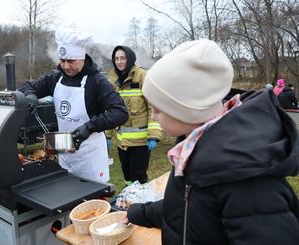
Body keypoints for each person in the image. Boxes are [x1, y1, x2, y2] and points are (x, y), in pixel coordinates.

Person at [123, 39, 299, 244]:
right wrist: (140, 213)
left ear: (186, 110)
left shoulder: (245, 177)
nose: (153, 117)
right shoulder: (195, 147)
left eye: (158, 109)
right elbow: (187, 205)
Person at [19, 29, 129, 183]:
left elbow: (120, 112)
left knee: (93, 200)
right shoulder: (56, 78)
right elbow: (28, 85)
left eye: (71, 61)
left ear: (82, 58)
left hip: (89, 156)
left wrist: (90, 126)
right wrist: (30, 94)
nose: (65, 66)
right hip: (65, 153)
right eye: (62, 60)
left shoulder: (97, 82)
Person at [106, 46, 162, 185]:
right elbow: (109, 109)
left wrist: (153, 135)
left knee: (139, 178)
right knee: (127, 177)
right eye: (116, 58)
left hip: (141, 142)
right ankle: (128, 202)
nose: (119, 62)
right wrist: (107, 135)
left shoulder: (143, 75)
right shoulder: (112, 79)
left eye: (122, 58)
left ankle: (141, 204)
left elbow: (153, 107)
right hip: (121, 142)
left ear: (130, 59)